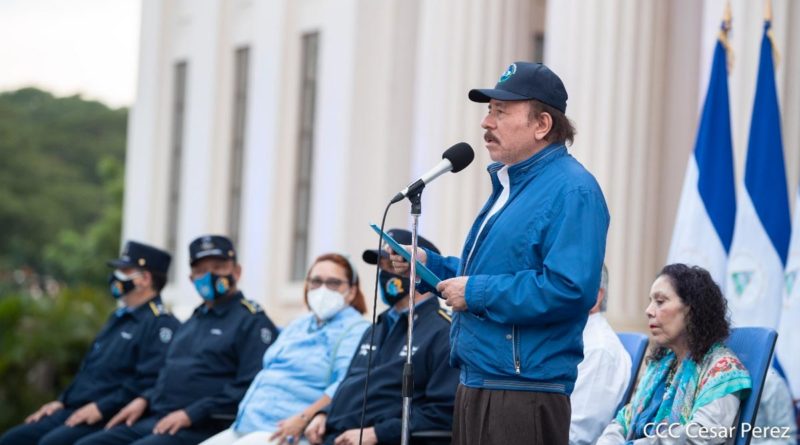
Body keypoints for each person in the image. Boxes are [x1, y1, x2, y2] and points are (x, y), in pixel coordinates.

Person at [389, 62, 609, 445]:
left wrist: (474, 292)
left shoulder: (573, 191)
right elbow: (493, 274)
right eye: (489, 110)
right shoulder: (511, 185)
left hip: (523, 392)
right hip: (478, 381)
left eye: (500, 112)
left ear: (542, 125)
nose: (486, 122)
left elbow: (569, 289)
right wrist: (430, 265)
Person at [76, 235, 279, 445]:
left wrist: (191, 414)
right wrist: (144, 399)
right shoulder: (193, 320)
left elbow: (251, 386)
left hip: (204, 425)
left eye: (218, 267)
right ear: (191, 279)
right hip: (159, 416)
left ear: (237, 272)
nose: (208, 276)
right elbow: (169, 372)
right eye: (200, 271)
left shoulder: (252, 321)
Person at [0, 241, 180, 445]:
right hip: (75, 407)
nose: (116, 277)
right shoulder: (118, 318)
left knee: (52, 443)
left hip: (108, 414)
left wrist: (102, 407)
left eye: (125, 270)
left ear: (145, 279)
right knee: (13, 439)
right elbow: (90, 369)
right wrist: (62, 401)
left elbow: (147, 382)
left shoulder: (160, 324)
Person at [304, 229, 459, 445]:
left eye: (393, 265)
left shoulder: (443, 331)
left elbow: (443, 412)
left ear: (420, 270)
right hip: (333, 436)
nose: (384, 272)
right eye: (382, 266)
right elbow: (352, 385)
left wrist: (378, 433)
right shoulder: (377, 327)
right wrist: (324, 413)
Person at [198, 253, 370, 445]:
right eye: (316, 281)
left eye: (333, 283)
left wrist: (304, 418)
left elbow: (343, 385)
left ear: (352, 291)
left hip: (286, 432)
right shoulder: (300, 324)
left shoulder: (356, 330)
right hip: (246, 425)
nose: (322, 289)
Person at [596, 263, 752, 444]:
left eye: (660, 302)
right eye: (650, 301)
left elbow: (702, 436)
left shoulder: (723, 369)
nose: (648, 311)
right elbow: (624, 420)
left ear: (691, 309)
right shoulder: (661, 366)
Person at [569, 264, 631, 445]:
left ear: (595, 296)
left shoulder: (598, 349)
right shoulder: (575, 338)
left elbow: (577, 436)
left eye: (566, 286)